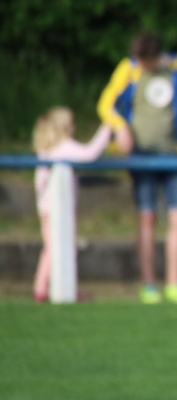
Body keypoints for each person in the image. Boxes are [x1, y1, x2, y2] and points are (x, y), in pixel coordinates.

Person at [97, 31, 177, 304]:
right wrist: (120, 127)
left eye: (145, 61)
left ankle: (174, 283)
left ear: (156, 55)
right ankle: (148, 284)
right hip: (141, 155)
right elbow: (106, 104)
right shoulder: (129, 68)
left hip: (174, 154)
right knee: (146, 217)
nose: (141, 65)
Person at [31, 108, 113, 302]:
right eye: (70, 125)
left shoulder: (47, 150)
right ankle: (46, 289)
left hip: (46, 209)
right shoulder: (64, 147)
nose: (74, 128)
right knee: (59, 248)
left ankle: (47, 287)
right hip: (57, 210)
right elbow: (89, 154)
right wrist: (107, 128)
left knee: (52, 248)